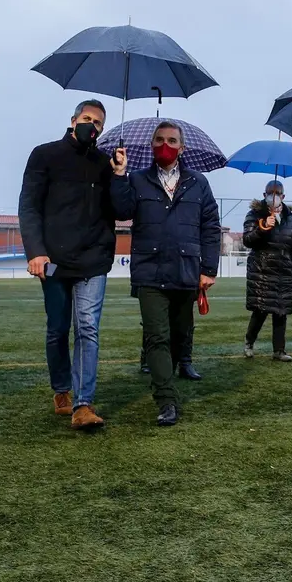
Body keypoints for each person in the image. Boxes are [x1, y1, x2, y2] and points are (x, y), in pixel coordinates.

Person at [109, 121, 220, 426]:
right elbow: (121, 211)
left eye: (171, 140)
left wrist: (208, 269)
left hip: (186, 272)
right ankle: (166, 400)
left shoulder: (198, 183)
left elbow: (210, 227)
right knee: (157, 336)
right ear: (151, 145)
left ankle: (166, 377)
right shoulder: (136, 179)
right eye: (159, 140)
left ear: (182, 148)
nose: (165, 145)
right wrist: (119, 175)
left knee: (178, 336)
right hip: (150, 271)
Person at [18, 99, 119, 431]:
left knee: (88, 329)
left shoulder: (106, 164)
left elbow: (122, 209)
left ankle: (83, 403)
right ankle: (61, 388)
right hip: (53, 262)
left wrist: (120, 174)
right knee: (58, 329)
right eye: (88, 118)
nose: (93, 125)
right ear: (73, 120)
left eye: (99, 123)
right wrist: (36, 252)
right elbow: (29, 206)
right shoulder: (44, 155)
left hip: (93, 260)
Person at [242, 180, 292, 361]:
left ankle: (279, 350)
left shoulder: (289, 217)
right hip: (262, 270)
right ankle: (249, 342)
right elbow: (248, 240)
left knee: (281, 311)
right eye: (270, 193)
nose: (273, 197)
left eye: (277, 193)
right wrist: (263, 228)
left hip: (284, 270)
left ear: (283, 196)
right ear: (264, 195)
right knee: (260, 310)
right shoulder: (255, 214)